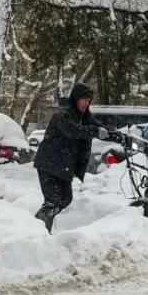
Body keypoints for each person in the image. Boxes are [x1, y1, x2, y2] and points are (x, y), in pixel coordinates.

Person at [32, 83, 109, 233]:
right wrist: (95, 131)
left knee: (65, 199)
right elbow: (71, 130)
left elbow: (99, 127)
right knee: (52, 203)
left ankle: (40, 228)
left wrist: (119, 136)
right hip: (49, 163)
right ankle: (35, 231)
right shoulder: (63, 113)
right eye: (83, 99)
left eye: (88, 100)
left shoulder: (84, 116)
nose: (86, 103)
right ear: (75, 98)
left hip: (63, 165)